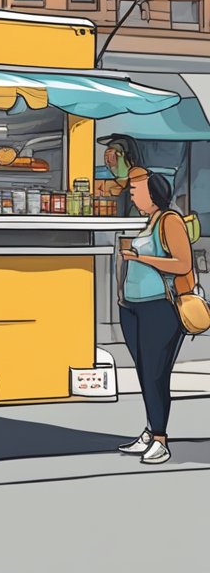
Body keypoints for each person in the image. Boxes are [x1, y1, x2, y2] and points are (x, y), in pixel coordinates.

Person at [117, 167, 193, 465]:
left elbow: (182, 263)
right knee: (145, 374)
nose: (132, 194)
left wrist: (140, 258)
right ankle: (150, 432)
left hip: (159, 308)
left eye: (137, 189)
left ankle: (160, 440)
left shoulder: (169, 221)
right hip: (134, 308)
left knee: (156, 374)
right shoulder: (149, 222)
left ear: (154, 193)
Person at [97, 134, 144, 217]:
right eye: (106, 157)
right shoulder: (118, 188)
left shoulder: (138, 189)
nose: (108, 162)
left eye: (112, 156)